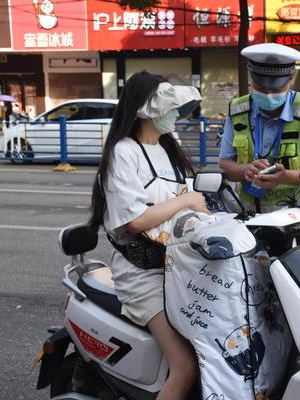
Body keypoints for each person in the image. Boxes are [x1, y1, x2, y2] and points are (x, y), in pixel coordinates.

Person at [88, 72, 206, 400]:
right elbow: (135, 222)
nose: (175, 114)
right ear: (147, 108)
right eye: (169, 106)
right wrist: (185, 200)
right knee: (184, 368)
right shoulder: (124, 152)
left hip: (179, 266)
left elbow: (190, 198)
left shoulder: (169, 148)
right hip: (143, 274)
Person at [218, 43, 300, 215]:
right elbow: (225, 162)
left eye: (276, 89)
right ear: (251, 80)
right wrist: (245, 170)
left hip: (297, 218)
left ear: (291, 80)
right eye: (260, 88)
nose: (268, 94)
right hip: (249, 217)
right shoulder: (238, 110)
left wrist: (286, 177)